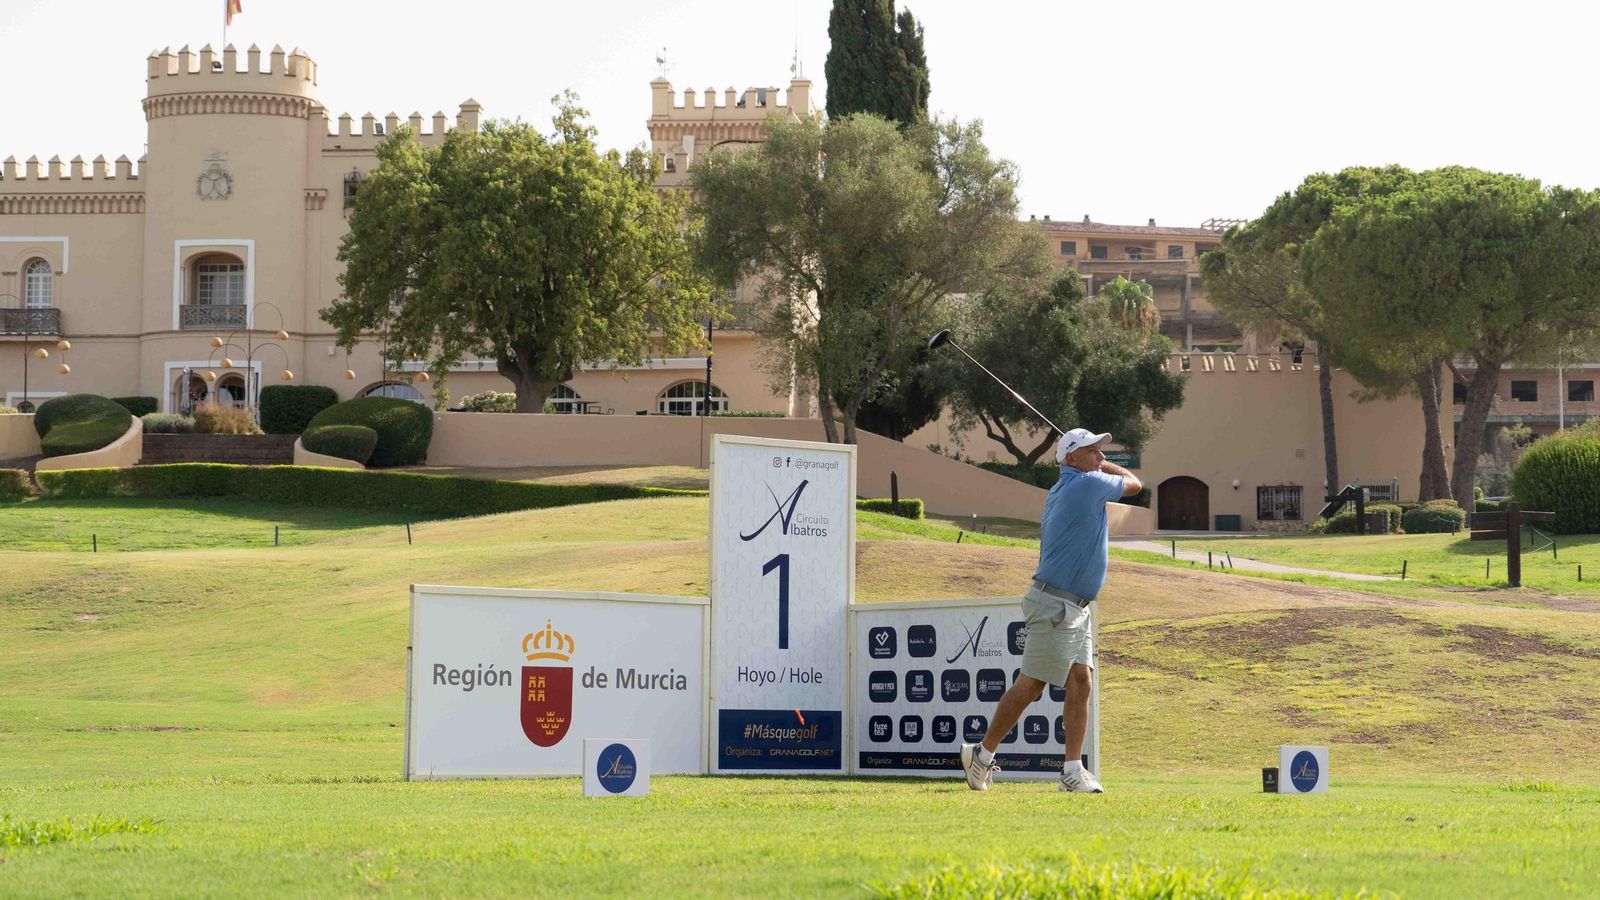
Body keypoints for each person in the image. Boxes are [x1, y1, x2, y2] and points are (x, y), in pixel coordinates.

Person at [959, 427, 1141, 793]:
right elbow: (1136, 485)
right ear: (1071, 458)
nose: (1101, 457)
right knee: (1032, 684)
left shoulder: (1069, 485)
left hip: (1075, 605)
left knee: (1081, 681)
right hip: (1056, 604)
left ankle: (1072, 770)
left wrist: (1096, 462)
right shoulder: (1086, 484)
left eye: (1101, 451)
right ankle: (981, 754)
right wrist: (1110, 468)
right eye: (1092, 451)